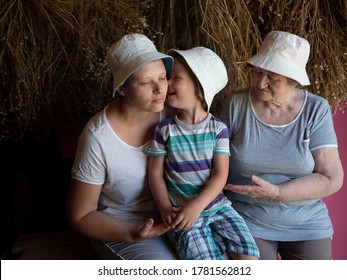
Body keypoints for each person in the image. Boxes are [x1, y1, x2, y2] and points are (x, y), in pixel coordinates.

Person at [219, 31, 344, 260]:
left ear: (293, 80)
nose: (261, 82)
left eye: (272, 78)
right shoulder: (236, 104)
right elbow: (215, 162)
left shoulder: (316, 109)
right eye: (258, 72)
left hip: (307, 221)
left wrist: (277, 192)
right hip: (247, 218)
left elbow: (331, 177)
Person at [66, 33, 179, 260]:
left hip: (176, 218)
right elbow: (80, 214)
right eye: (146, 82)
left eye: (162, 77)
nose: (160, 89)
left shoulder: (174, 112)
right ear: (122, 89)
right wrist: (132, 234)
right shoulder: (97, 139)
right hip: (124, 227)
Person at [144, 47, 259, 260]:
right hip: (182, 214)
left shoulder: (218, 130)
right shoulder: (164, 130)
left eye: (176, 78)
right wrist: (165, 208)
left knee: (249, 257)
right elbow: (155, 174)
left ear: (199, 87)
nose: (167, 83)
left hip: (218, 208)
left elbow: (220, 175)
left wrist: (198, 205)